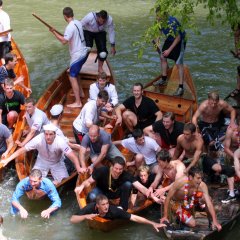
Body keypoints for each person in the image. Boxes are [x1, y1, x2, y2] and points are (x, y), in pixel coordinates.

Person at [1, 124, 84, 184]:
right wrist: (8, 160)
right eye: (46, 134)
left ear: (55, 135)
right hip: (42, 161)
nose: (48, 137)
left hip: (57, 162)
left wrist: (78, 168)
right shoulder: (39, 139)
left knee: (64, 181)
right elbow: (22, 150)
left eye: (50, 134)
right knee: (33, 180)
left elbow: (73, 156)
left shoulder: (60, 141)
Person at [75, 156, 152, 210]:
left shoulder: (126, 175)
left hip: (115, 193)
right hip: (102, 192)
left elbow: (140, 187)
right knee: (92, 196)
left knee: (128, 184)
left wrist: (154, 197)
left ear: (123, 168)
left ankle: (122, 208)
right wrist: (81, 186)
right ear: (112, 166)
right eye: (116, 168)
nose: (118, 171)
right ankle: (94, 210)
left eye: (120, 169)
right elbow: (88, 181)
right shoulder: (102, 170)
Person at [160, 167, 222, 231]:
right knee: (192, 224)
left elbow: (209, 203)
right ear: (190, 177)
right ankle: (179, 217)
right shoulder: (180, 182)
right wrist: (165, 216)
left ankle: (211, 221)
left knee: (208, 198)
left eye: (201, 178)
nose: (200, 181)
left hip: (189, 200)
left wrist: (215, 221)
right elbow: (168, 198)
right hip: (176, 202)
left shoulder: (202, 185)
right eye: (198, 178)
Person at [50, 7, 89, 108]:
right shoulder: (78, 22)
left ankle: (78, 102)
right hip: (84, 52)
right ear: (72, 14)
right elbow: (68, 37)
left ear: (64, 16)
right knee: (74, 73)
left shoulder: (69, 27)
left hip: (78, 55)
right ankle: (80, 93)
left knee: (72, 76)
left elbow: (64, 41)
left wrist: (53, 32)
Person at [70, 194, 165, 232]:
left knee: (120, 211)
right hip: (96, 220)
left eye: (107, 203)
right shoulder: (90, 207)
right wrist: (85, 216)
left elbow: (134, 217)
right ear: (97, 205)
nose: (106, 206)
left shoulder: (113, 210)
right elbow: (72, 219)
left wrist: (153, 223)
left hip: (114, 215)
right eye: (103, 204)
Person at [154, 10, 186, 96]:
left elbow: (178, 37)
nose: (157, 17)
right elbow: (159, 32)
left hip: (179, 40)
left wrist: (169, 50)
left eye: (158, 15)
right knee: (162, 57)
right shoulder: (159, 21)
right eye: (156, 15)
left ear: (164, 15)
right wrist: (157, 41)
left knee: (178, 63)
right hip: (170, 38)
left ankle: (181, 87)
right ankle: (164, 79)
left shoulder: (171, 21)